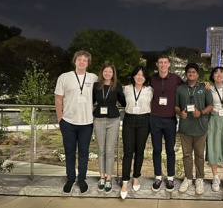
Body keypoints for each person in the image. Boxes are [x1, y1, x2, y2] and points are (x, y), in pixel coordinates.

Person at [54, 50, 98, 194]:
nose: (82, 62)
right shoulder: (64, 77)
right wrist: (60, 119)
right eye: (79, 59)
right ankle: (70, 178)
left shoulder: (93, 78)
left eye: (85, 60)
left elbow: (106, 90)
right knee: (70, 152)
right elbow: (58, 99)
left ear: (88, 63)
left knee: (84, 152)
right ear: (75, 61)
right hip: (68, 121)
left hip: (86, 122)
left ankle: (82, 179)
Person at [175, 63, 213, 195]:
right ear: (186, 74)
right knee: (186, 155)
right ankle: (188, 178)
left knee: (199, 155)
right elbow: (176, 106)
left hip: (200, 127)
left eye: (193, 72)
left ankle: (200, 178)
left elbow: (211, 106)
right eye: (189, 72)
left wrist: (201, 112)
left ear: (197, 74)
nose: (191, 74)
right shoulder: (180, 89)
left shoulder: (204, 88)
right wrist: (181, 113)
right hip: (185, 128)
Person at [149, 55, 184, 192]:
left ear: (169, 64)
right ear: (157, 64)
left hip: (170, 118)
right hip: (155, 118)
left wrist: (205, 85)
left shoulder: (176, 79)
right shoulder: (151, 79)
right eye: (160, 63)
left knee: (170, 150)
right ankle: (158, 176)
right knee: (156, 150)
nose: (163, 65)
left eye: (165, 62)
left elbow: (188, 88)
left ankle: (170, 178)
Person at [120, 65, 153, 199]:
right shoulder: (126, 89)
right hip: (129, 120)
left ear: (145, 77)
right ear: (133, 76)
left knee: (140, 150)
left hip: (144, 120)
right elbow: (121, 102)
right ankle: (125, 181)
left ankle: (136, 177)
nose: (140, 77)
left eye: (142, 75)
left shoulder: (151, 90)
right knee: (128, 152)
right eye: (137, 74)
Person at [93, 62, 126, 194]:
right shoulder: (96, 86)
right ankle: (101, 176)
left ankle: (109, 178)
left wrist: (123, 93)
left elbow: (123, 103)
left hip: (113, 120)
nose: (107, 74)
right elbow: (90, 101)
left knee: (110, 151)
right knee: (101, 150)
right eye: (105, 71)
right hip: (99, 120)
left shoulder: (117, 86)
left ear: (113, 74)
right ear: (102, 72)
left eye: (110, 72)